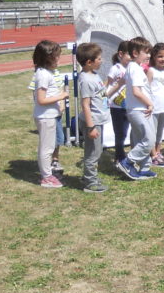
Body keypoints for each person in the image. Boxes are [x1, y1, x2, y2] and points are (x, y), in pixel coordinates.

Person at [31, 40, 69, 188]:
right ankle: (46, 177)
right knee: (47, 148)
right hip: (45, 117)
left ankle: (48, 174)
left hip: (50, 115)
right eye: (56, 57)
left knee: (49, 146)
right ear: (48, 58)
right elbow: (41, 99)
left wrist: (58, 106)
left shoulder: (47, 73)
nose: (59, 59)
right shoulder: (43, 75)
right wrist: (61, 96)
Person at [120, 37, 157, 180]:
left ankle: (144, 168)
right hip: (138, 109)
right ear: (135, 53)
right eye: (146, 52)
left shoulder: (136, 67)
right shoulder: (134, 68)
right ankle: (127, 162)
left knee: (140, 139)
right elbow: (136, 91)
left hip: (139, 109)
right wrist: (149, 103)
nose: (148, 56)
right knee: (148, 139)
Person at [76, 42, 110, 193]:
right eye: (99, 59)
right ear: (89, 62)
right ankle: (90, 182)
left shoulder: (94, 75)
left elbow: (102, 93)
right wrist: (91, 127)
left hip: (98, 120)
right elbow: (85, 105)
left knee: (97, 151)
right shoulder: (86, 80)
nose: (101, 61)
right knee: (93, 153)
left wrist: (113, 83)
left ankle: (90, 176)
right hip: (93, 122)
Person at [104, 41, 131, 167]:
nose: (132, 57)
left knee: (127, 132)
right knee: (120, 133)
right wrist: (103, 95)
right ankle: (119, 157)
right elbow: (108, 83)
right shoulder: (115, 69)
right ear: (121, 54)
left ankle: (122, 155)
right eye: (130, 54)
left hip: (130, 105)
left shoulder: (133, 68)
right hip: (117, 106)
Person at [147, 42, 164, 166]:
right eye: (160, 56)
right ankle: (153, 155)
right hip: (154, 107)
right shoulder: (151, 71)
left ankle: (158, 151)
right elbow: (146, 88)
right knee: (152, 132)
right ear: (154, 57)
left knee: (160, 131)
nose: (163, 59)